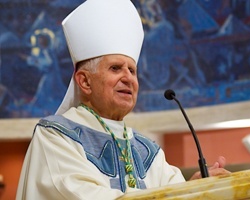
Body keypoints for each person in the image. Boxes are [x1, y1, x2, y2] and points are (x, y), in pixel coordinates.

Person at [16, 0, 230, 199]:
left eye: (132, 70)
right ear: (85, 82)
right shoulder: (56, 136)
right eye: (115, 68)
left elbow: (175, 194)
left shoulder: (148, 150)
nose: (128, 78)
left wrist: (194, 189)